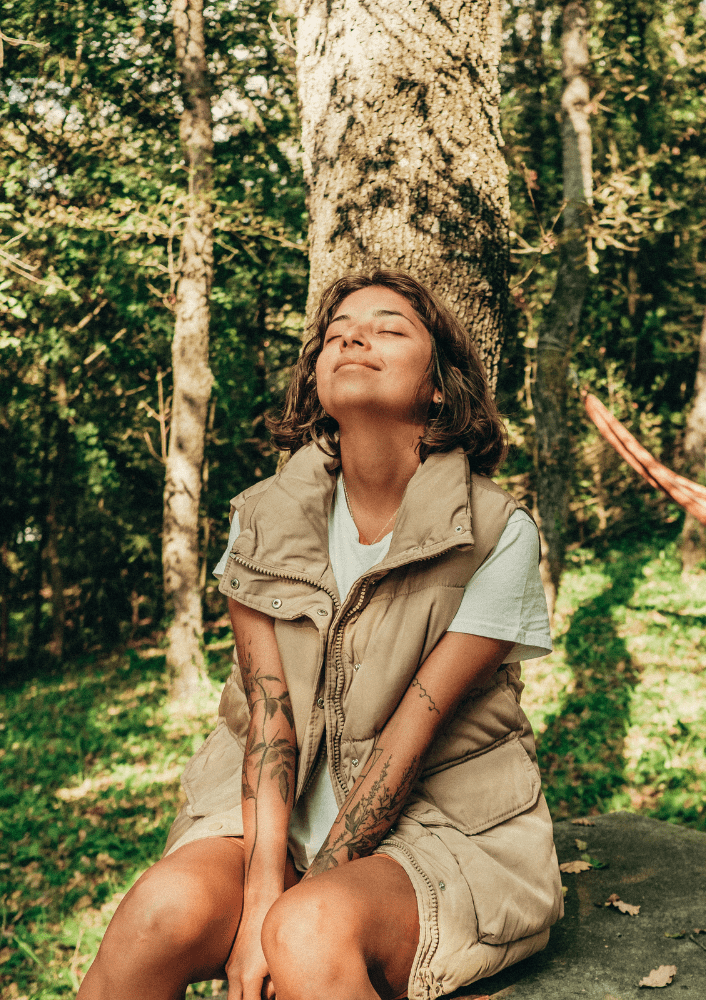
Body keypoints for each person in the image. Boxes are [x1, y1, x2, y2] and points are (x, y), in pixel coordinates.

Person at [78, 271, 563, 1000]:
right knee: (157, 911)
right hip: (270, 825)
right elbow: (267, 721)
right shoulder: (260, 521)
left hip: (442, 833)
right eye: (337, 333)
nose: (353, 338)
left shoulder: (495, 531)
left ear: (439, 386)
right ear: (317, 381)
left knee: (305, 932)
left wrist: (284, 917)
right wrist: (261, 890)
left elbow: (409, 740)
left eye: (388, 328)